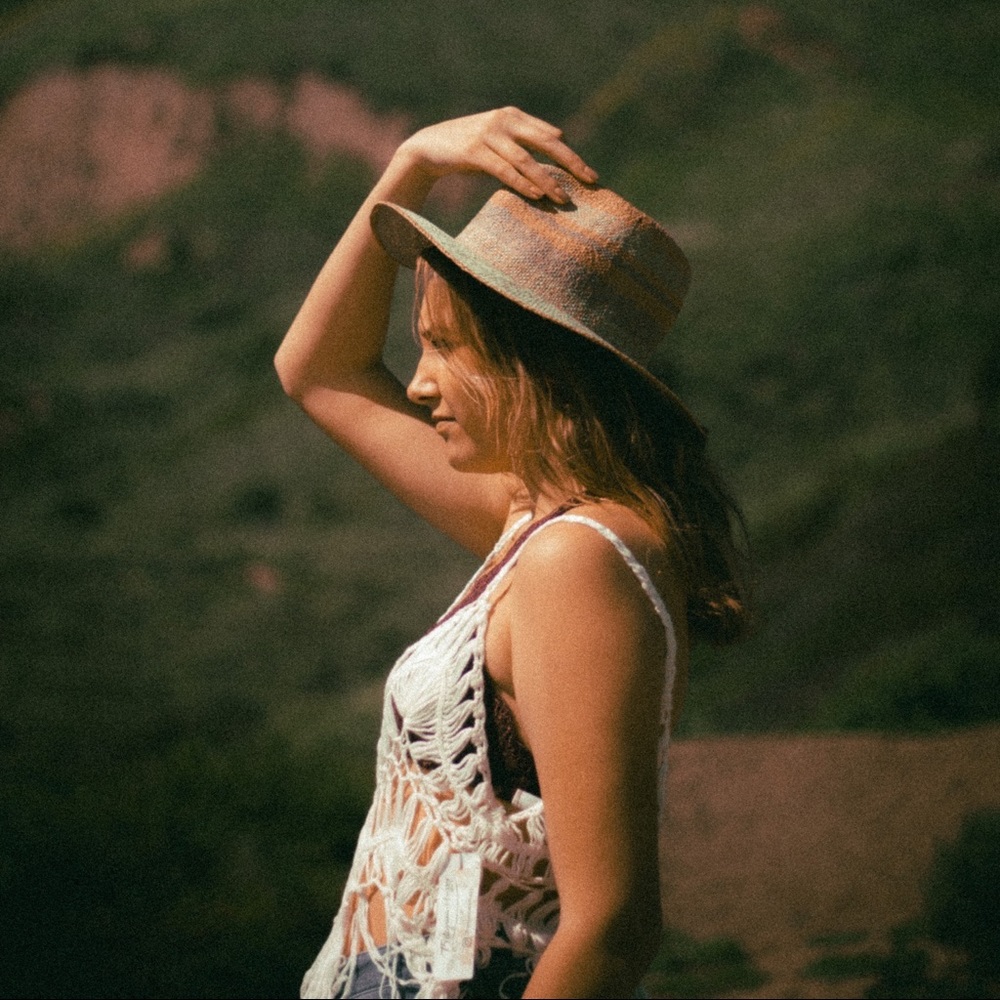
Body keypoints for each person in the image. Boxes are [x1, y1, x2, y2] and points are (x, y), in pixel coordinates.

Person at [275, 107, 749, 999]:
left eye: (446, 347)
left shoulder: (581, 558)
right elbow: (320, 373)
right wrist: (411, 165)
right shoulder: (536, 523)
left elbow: (613, 926)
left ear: (537, 362)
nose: (417, 383)